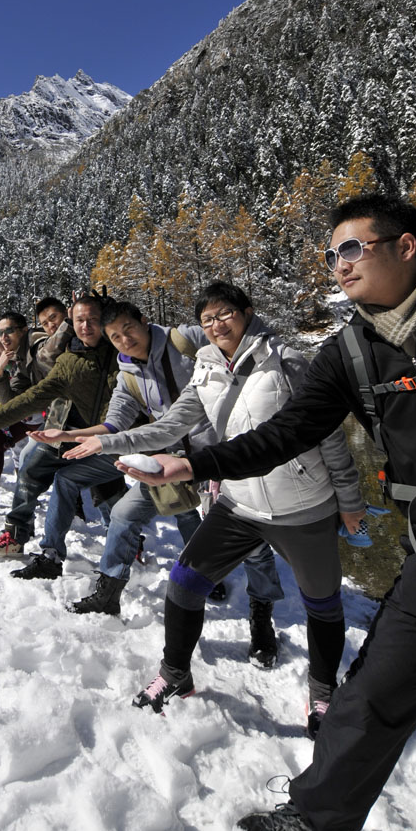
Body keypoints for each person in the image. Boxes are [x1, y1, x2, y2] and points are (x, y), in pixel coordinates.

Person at [122, 195, 416, 831]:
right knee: (376, 690)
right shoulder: (350, 353)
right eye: (331, 255)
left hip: (309, 513)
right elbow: (287, 433)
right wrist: (190, 466)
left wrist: (348, 499)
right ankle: (318, 817)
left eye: (353, 248)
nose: (339, 265)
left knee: (335, 621)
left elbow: (318, 449)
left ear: (406, 246)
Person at [86, 282, 364, 726]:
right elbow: (169, 426)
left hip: (304, 505)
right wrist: (102, 442)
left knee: (323, 605)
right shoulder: (205, 368)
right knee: (183, 585)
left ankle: (323, 692)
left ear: (247, 313)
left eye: (224, 315)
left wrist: (349, 501)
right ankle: (175, 673)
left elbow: (328, 435)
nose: (216, 325)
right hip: (238, 502)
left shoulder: (286, 360)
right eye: (207, 320)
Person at [27, 300, 285, 627]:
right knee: (124, 513)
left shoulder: (184, 340)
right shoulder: (128, 375)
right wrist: (66, 435)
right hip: (173, 462)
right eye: (115, 337)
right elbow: (114, 424)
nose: (124, 339)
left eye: (128, 329)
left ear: (144, 321)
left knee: (251, 542)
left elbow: (234, 335)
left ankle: (261, 610)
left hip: (223, 456)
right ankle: (109, 593)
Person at [0, 296, 126, 557]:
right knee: (30, 471)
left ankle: (127, 542)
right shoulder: (34, 357)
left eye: (55, 319)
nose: (3, 337)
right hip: (60, 427)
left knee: (108, 489)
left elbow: (49, 352)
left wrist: (69, 322)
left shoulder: (45, 344)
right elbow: (20, 400)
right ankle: (15, 536)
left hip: (104, 433)